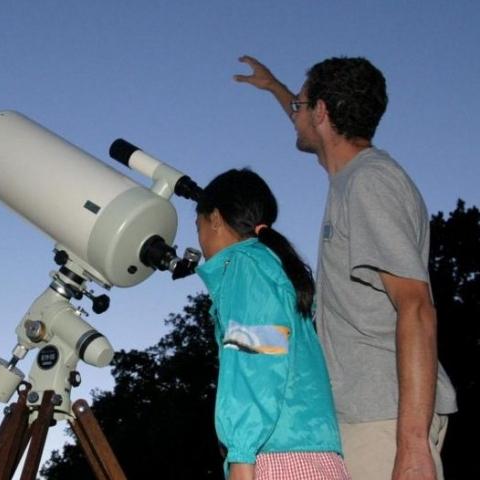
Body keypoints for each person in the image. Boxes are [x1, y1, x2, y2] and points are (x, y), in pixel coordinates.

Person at [233, 55, 457, 480]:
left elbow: (416, 307)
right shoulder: (352, 177)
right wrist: (276, 88)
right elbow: (308, 124)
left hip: (384, 419)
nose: (295, 115)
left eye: (300, 105)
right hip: (365, 415)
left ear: (321, 112)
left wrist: (411, 445)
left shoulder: (369, 183)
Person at [195, 168, 349, 480]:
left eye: (198, 226)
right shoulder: (272, 266)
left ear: (215, 218)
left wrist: (241, 456)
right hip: (311, 455)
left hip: (280, 458)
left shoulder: (246, 266)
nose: (199, 241)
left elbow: (256, 362)